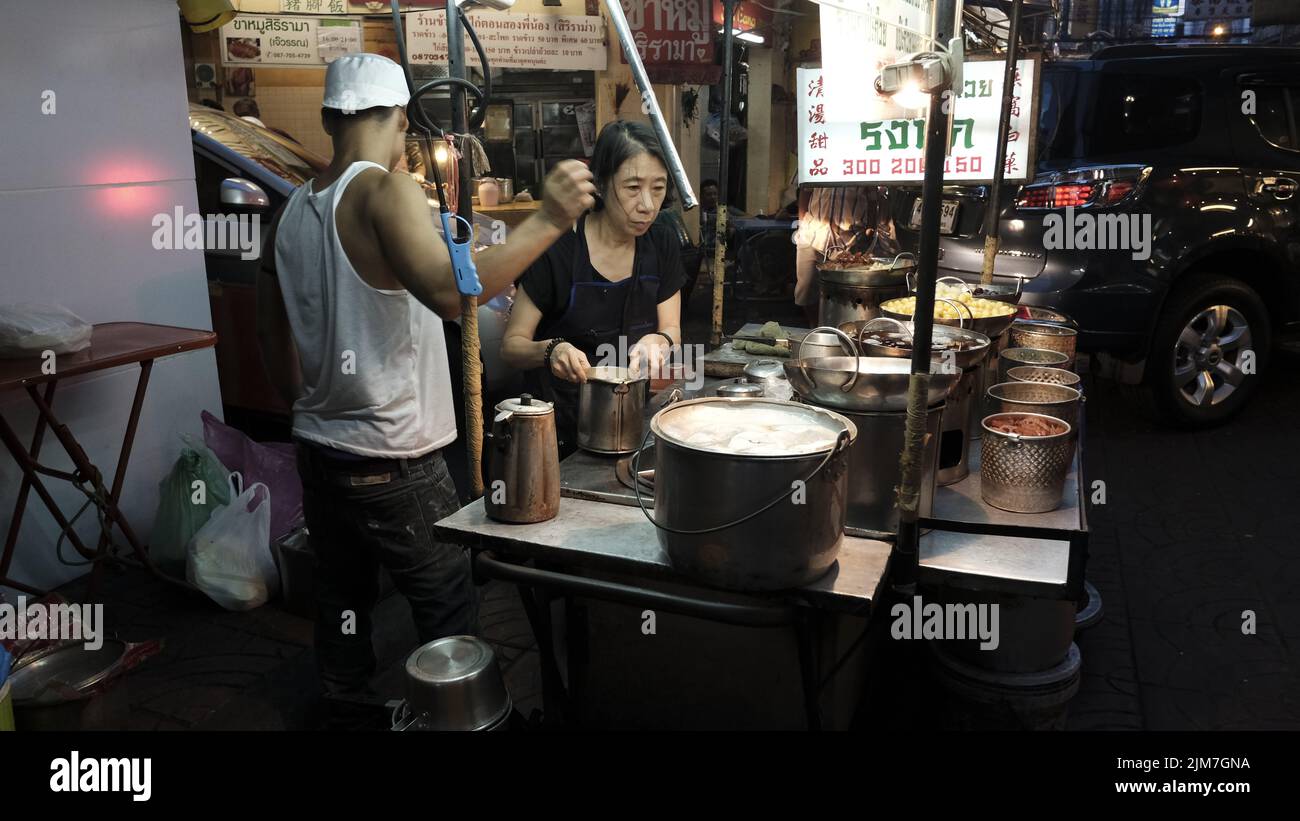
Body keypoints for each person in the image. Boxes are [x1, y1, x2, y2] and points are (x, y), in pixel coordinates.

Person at [255, 53, 595, 709]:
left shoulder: (292, 209)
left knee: (342, 597)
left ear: (328, 119)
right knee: (447, 597)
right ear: (402, 119)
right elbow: (449, 291)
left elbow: (273, 337)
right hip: (396, 458)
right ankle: (456, 715)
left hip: (321, 450)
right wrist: (549, 218)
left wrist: (306, 408)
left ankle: (345, 704)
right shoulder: (386, 191)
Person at [500, 120, 686, 455]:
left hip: (630, 421)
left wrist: (660, 340)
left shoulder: (662, 242)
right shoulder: (557, 250)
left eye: (658, 188)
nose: (647, 205)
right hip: (556, 432)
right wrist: (552, 350)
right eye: (632, 188)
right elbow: (512, 347)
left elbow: (672, 328)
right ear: (600, 183)